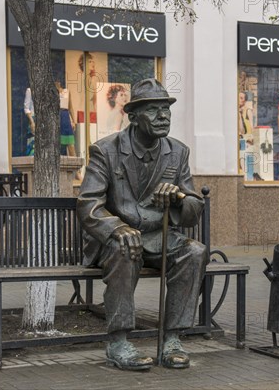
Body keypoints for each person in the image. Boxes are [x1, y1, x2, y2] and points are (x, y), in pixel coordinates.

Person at [76, 79, 207, 371]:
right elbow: (88, 203)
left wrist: (179, 198)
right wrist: (116, 228)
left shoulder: (178, 152)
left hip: (158, 236)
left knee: (195, 252)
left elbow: (194, 209)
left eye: (166, 110)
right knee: (126, 247)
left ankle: (172, 339)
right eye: (153, 110)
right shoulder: (105, 151)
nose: (163, 116)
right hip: (115, 240)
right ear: (133, 117)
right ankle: (118, 341)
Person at [23, 87, 35, 156]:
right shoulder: (30, 90)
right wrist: (32, 122)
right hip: (33, 118)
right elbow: (26, 108)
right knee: (32, 144)